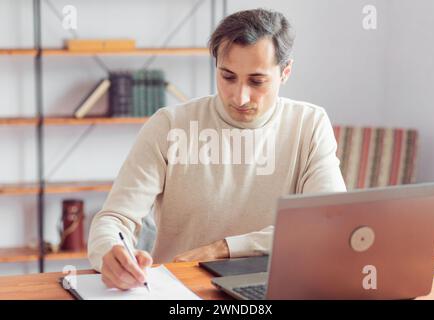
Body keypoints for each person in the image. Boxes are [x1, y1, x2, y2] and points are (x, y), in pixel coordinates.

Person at [88, 8, 346, 290]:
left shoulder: (309, 124)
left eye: (257, 81)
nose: (239, 96)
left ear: (285, 72)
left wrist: (223, 248)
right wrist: (109, 254)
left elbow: (328, 224)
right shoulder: (169, 126)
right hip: (181, 290)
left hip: (275, 287)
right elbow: (114, 219)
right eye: (228, 76)